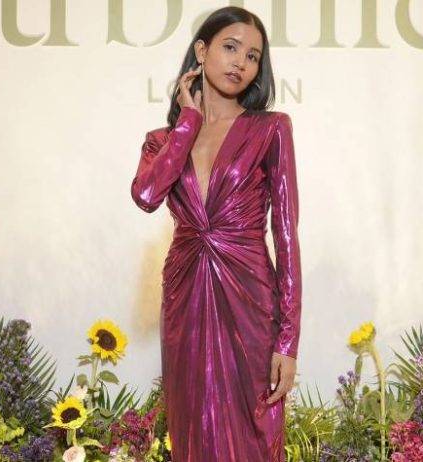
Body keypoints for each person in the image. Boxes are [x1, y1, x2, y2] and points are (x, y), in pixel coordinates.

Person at [130, 6, 301, 462]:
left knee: (255, 429)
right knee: (191, 425)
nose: (241, 62)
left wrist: (288, 340)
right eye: (230, 47)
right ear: (201, 51)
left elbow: (286, 235)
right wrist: (186, 124)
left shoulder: (271, 129)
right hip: (185, 294)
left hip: (251, 296)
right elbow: (146, 195)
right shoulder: (162, 139)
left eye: (253, 56)